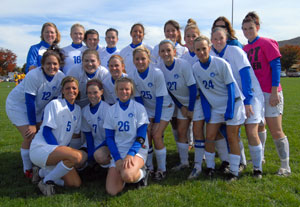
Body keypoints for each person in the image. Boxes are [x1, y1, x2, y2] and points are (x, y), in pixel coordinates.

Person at [211, 27, 264, 178]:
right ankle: (239, 163)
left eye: (221, 38)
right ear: (211, 41)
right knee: (232, 133)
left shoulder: (235, 51)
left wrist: (247, 101)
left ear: (226, 38)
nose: (218, 41)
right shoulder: (212, 54)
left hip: (250, 95)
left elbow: (246, 77)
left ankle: (257, 169)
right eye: (215, 39)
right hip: (234, 98)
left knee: (251, 131)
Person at [242, 11, 291, 176]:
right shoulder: (245, 48)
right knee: (260, 126)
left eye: (250, 28)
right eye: (244, 29)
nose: (248, 31)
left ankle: (285, 166)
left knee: (276, 129)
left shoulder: (266, 42)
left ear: (257, 27)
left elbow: (276, 67)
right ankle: (260, 157)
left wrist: (274, 91)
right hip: (256, 95)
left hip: (270, 92)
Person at [192, 35, 246, 180]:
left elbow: (231, 86)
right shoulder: (195, 68)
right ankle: (210, 167)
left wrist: (230, 108)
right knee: (210, 136)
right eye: (198, 49)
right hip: (216, 107)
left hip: (233, 103)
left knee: (232, 137)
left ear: (209, 48)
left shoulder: (221, 63)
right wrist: (207, 110)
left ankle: (234, 171)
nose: (202, 52)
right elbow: (202, 91)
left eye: (204, 48)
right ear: (194, 51)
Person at [6, 49, 65, 179]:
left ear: (59, 65)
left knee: (40, 135)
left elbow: (55, 100)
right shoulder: (34, 75)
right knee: (30, 135)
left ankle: (37, 165)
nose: (52, 66)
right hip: (18, 106)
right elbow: (29, 101)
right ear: (42, 65)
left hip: (37, 108)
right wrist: (32, 124)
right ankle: (27, 169)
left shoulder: (60, 77)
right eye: (48, 63)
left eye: (55, 64)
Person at [29, 76, 86, 196]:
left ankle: (41, 173)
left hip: (58, 152)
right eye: (67, 88)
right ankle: (46, 182)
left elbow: (75, 136)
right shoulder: (55, 104)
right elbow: (46, 132)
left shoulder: (77, 110)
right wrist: (62, 151)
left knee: (75, 184)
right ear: (62, 91)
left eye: (74, 88)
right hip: (42, 148)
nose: (71, 90)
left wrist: (68, 153)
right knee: (77, 157)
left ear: (78, 91)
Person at [157, 39, 205, 179]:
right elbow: (170, 91)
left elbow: (191, 87)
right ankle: (184, 162)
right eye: (163, 51)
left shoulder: (182, 64)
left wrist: (190, 108)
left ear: (174, 51)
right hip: (182, 105)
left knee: (197, 132)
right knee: (182, 131)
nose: (166, 53)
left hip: (195, 101)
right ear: (159, 53)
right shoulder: (161, 68)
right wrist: (181, 107)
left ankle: (198, 165)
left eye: (168, 50)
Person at [131, 45, 174, 181]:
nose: (140, 61)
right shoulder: (133, 75)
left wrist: (156, 121)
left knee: (156, 134)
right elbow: (138, 99)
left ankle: (162, 169)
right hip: (148, 108)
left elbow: (160, 98)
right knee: (146, 135)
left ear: (148, 59)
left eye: (143, 58)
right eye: (137, 59)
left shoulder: (156, 73)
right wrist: (145, 119)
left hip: (164, 106)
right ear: (133, 60)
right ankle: (149, 167)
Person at [104, 77, 149, 196]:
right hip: (119, 150)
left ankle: (143, 173)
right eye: (121, 89)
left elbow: (141, 136)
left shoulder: (139, 108)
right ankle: (124, 175)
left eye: (127, 89)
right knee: (112, 191)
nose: (124, 92)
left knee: (128, 175)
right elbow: (109, 138)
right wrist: (117, 159)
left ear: (131, 91)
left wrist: (131, 154)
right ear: (116, 91)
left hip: (137, 150)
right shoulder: (111, 110)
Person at [81, 79, 111, 165]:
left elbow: (111, 136)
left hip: (106, 144)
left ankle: (105, 168)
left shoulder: (107, 109)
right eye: (89, 93)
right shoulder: (85, 111)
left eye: (95, 92)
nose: (92, 95)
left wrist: (96, 150)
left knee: (99, 156)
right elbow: (88, 134)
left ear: (101, 92)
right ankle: (90, 167)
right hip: (93, 143)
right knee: (79, 159)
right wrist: (91, 151)